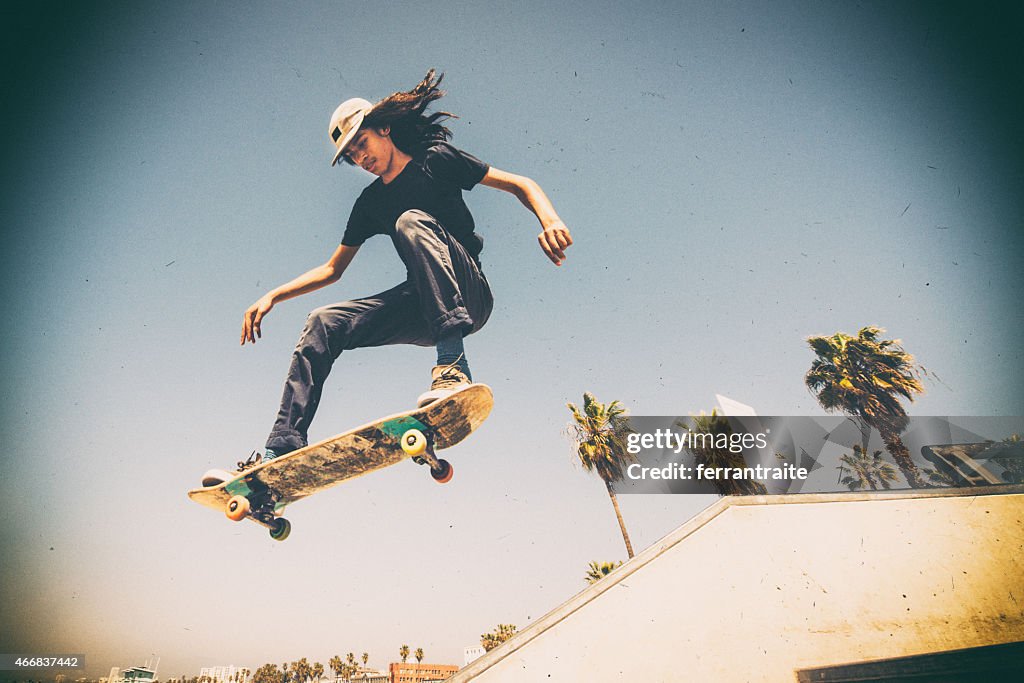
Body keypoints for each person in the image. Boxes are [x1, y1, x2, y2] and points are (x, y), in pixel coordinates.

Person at [238, 69, 572, 465]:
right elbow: (333, 269)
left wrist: (549, 219)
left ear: (384, 129)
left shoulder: (437, 161)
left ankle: (452, 366)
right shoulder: (369, 203)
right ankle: (281, 447)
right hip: (422, 306)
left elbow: (521, 183)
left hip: (469, 294)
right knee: (322, 322)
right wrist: (273, 295)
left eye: (362, 145)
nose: (362, 159)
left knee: (410, 221)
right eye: (353, 156)